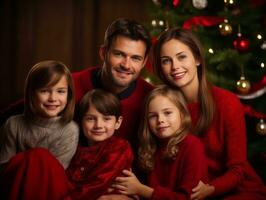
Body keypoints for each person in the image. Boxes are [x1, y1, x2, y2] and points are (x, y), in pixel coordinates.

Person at [153, 28, 266, 199]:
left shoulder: (227, 102)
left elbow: (238, 169)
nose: (175, 67)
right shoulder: (161, 110)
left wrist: (210, 189)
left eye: (182, 57)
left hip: (235, 190)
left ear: (197, 59)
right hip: (189, 193)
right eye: (166, 61)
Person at [0, 60, 79, 200]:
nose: (53, 98)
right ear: (31, 93)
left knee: (40, 156)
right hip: (17, 187)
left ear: (69, 95)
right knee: (36, 156)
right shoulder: (13, 124)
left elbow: (55, 174)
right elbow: (6, 168)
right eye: (44, 91)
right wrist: (29, 160)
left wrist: (34, 158)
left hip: (51, 189)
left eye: (60, 91)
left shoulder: (70, 129)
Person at [112, 85, 208, 199]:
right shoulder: (150, 147)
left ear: (182, 113)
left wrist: (141, 189)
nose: (160, 120)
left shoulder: (192, 145)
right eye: (153, 116)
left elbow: (186, 198)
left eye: (167, 113)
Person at [65, 89, 134, 200]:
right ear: (81, 121)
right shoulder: (76, 147)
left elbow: (98, 184)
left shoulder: (119, 148)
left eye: (106, 119)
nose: (98, 125)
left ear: (118, 123)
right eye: (90, 118)